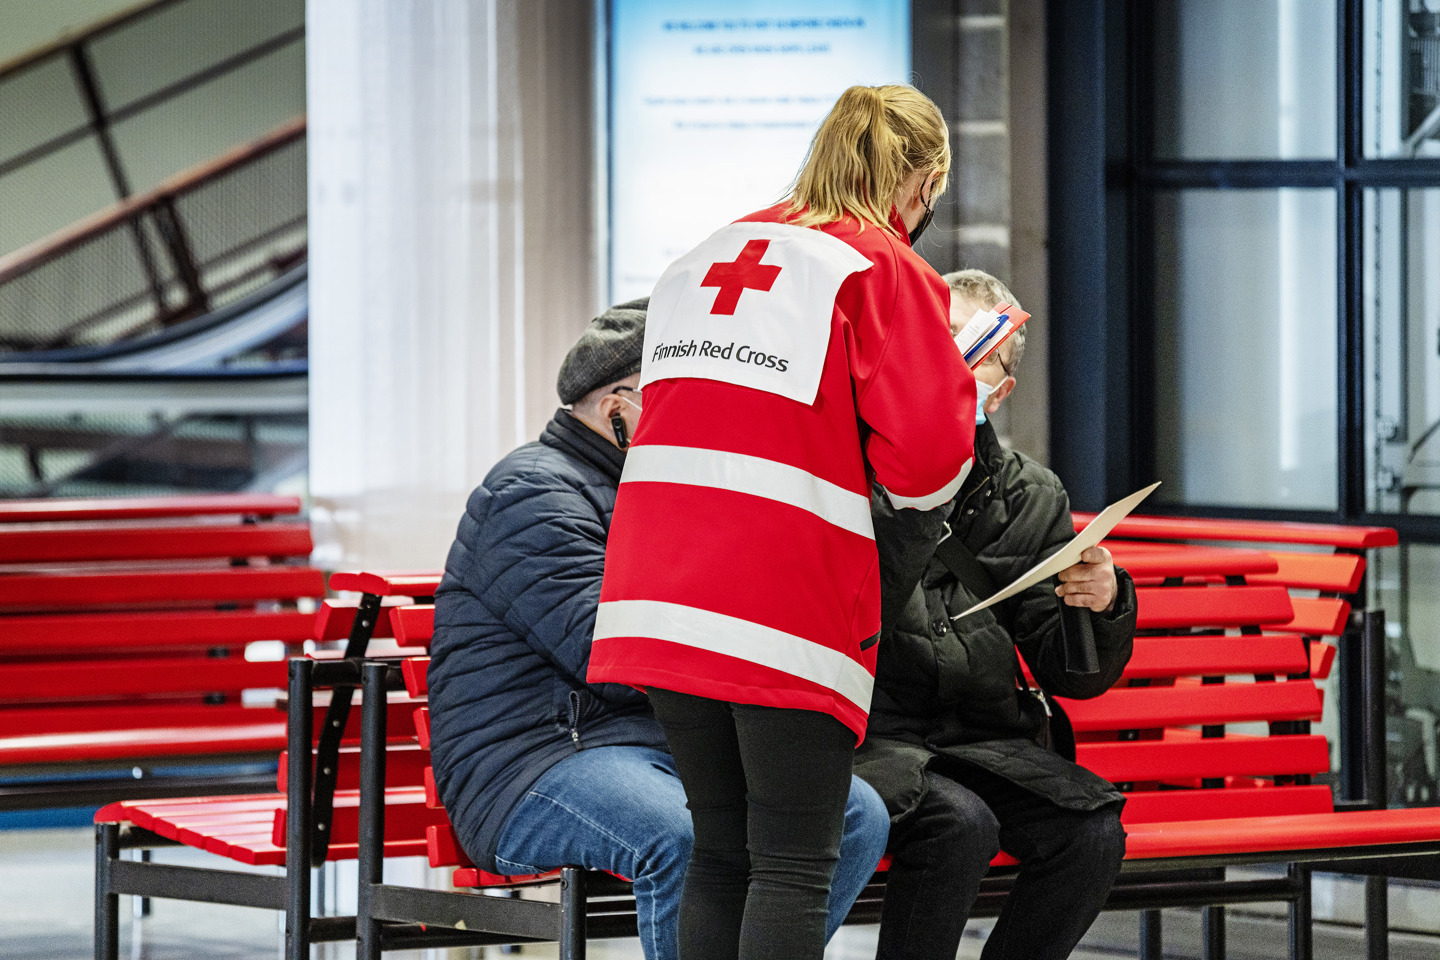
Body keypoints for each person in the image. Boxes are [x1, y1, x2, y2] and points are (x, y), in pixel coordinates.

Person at [588, 85, 977, 960]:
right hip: (778, 598)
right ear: (919, 180)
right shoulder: (876, 266)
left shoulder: (705, 254)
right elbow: (927, 463)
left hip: (659, 588)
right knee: (795, 861)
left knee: (721, 853)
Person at [425, 299, 889, 960]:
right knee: (686, 835)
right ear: (619, 406)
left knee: (857, 815)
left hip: (654, 746)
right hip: (537, 761)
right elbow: (609, 658)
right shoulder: (532, 492)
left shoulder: (667, 488)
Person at [854, 269, 1136, 960]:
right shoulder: (848, 463)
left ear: (1001, 391)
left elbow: (1072, 676)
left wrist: (1100, 602)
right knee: (959, 825)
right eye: (943, 338)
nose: (956, 362)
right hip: (873, 737)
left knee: (1091, 829)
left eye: (979, 351)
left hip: (980, 740)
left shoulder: (1030, 492)